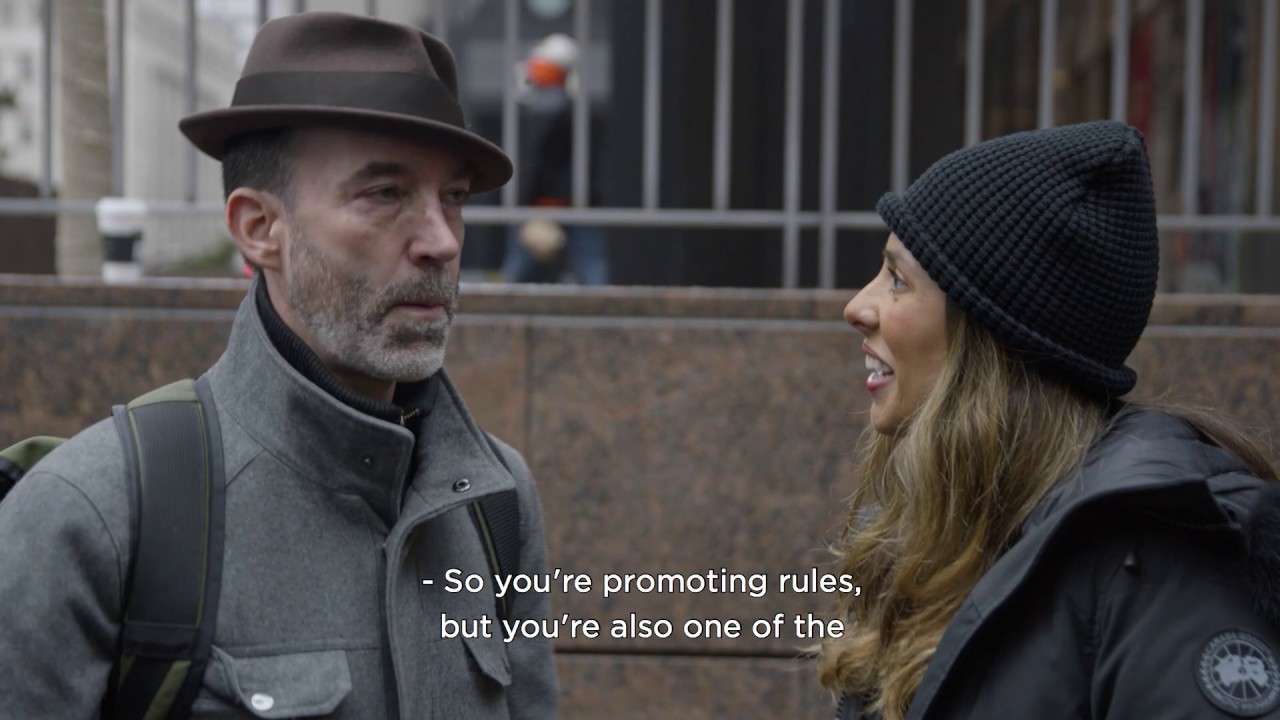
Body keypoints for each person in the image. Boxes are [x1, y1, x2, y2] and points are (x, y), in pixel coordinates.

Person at [0, 13, 557, 719]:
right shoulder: (94, 509)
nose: (441, 241)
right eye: (385, 194)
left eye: (452, 197)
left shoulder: (495, 499)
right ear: (259, 229)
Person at [820, 120, 1280, 720]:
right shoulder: (935, 523)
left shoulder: (1163, 567)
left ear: (992, 336)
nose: (857, 306)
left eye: (898, 280)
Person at [501, 33, 609, 286]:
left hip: (558, 202)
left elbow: (538, 161)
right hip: (561, 202)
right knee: (589, 263)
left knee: (521, 267)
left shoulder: (550, 111)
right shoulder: (558, 110)